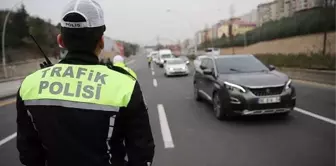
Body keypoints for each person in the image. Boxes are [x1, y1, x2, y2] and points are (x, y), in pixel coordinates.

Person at [16, 1, 155, 166]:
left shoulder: (30, 85)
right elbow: (142, 155)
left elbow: (28, 155)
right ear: (101, 42)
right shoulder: (125, 85)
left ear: (61, 40)